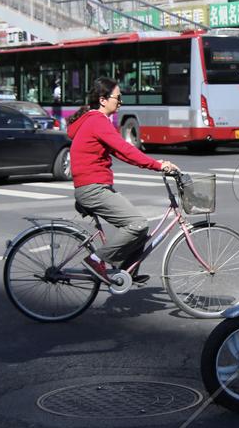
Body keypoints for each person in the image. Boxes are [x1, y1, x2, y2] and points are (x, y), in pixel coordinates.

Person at [67, 77, 179, 285]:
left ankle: (127, 269)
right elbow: (125, 148)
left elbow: (123, 154)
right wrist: (157, 165)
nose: (120, 103)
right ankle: (96, 259)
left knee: (139, 226)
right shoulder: (97, 121)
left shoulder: (94, 121)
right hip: (93, 189)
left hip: (93, 187)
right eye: (118, 98)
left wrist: (155, 163)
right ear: (103, 100)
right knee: (137, 224)